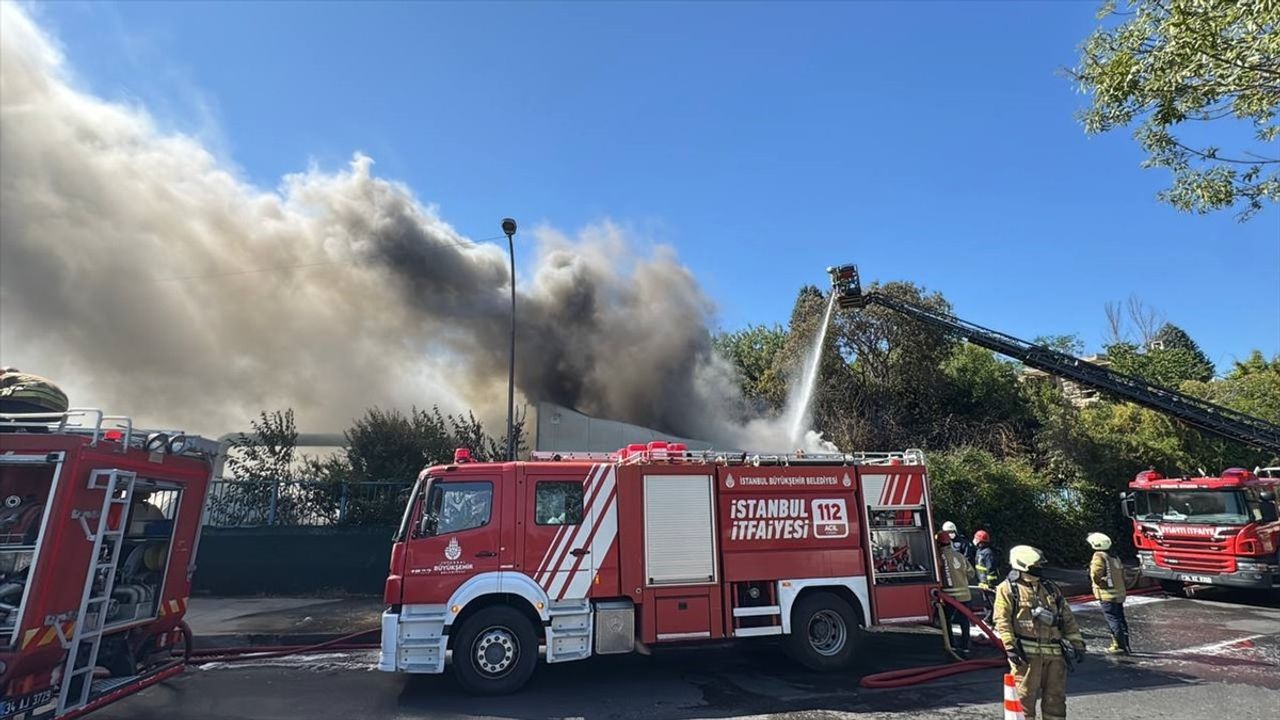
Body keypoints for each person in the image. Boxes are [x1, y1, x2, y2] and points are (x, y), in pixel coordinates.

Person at [994, 545, 1086, 720]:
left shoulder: (1050, 588)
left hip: (1055, 657)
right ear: (1023, 565)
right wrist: (1010, 647)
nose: (1040, 569)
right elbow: (1002, 619)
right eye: (1036, 566)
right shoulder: (1008, 589)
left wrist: (1077, 643)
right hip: (1027, 659)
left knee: (1056, 701)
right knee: (1024, 700)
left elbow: (1067, 617)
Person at [1087, 532, 1131, 655]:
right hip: (1119, 593)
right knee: (1120, 619)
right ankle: (1125, 644)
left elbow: (1096, 574)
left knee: (1112, 619)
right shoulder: (1114, 556)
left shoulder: (1099, 556)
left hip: (1107, 594)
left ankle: (1119, 646)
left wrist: (1098, 582)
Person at [937, 529, 976, 657]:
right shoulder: (959, 556)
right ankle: (965, 646)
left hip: (948, 597)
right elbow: (971, 573)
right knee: (964, 622)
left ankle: (951, 645)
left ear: (938, 544)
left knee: (947, 622)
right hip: (965, 595)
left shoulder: (938, 558)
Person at [973, 529, 999, 620]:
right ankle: (989, 619)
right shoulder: (979, 551)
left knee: (992, 602)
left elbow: (990, 569)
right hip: (982, 582)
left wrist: (990, 584)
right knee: (986, 602)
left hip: (988, 584)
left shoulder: (988, 553)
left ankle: (992, 620)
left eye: (976, 539)